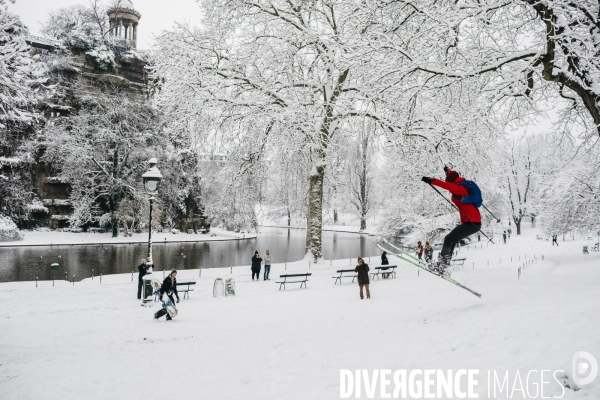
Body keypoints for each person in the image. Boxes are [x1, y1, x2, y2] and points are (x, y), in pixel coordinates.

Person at [421, 167, 482, 272]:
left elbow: (445, 185)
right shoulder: (461, 184)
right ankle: (445, 264)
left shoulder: (458, 188)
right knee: (452, 239)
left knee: (449, 239)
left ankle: (442, 264)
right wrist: (448, 171)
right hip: (471, 222)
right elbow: (453, 177)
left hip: (472, 222)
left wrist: (431, 180)